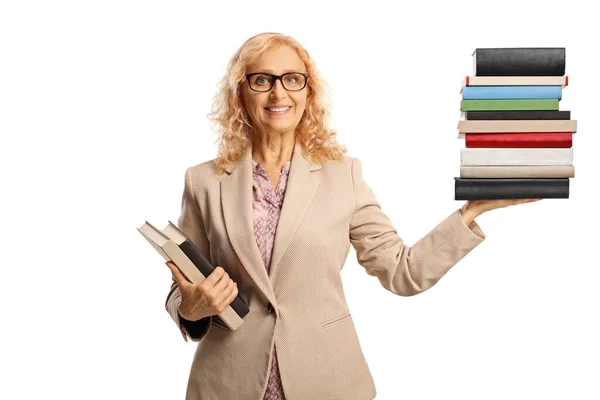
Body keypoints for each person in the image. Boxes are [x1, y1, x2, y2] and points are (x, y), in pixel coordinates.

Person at [163, 32, 541, 400]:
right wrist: (191, 307)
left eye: (292, 79)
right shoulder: (203, 182)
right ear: (241, 94)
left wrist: (472, 211)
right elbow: (183, 287)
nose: (279, 92)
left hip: (326, 380)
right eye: (262, 80)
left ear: (308, 92)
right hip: (228, 384)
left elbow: (402, 272)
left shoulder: (343, 175)